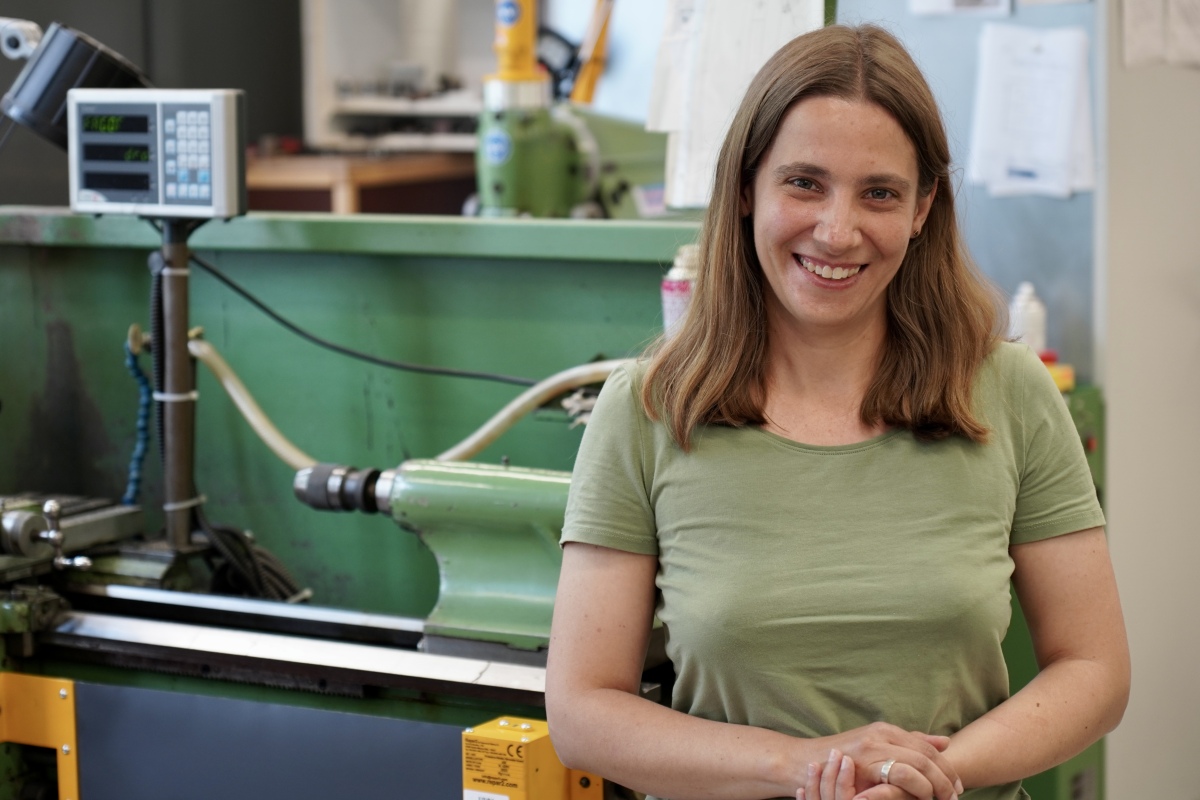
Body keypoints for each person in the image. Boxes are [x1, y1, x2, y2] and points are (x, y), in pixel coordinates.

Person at [544, 22, 1128, 800]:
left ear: (923, 208)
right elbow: (582, 712)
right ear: (746, 187)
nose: (837, 231)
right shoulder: (649, 411)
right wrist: (801, 765)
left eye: (879, 193)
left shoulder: (1010, 392)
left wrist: (930, 776)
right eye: (804, 183)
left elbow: (1095, 669)